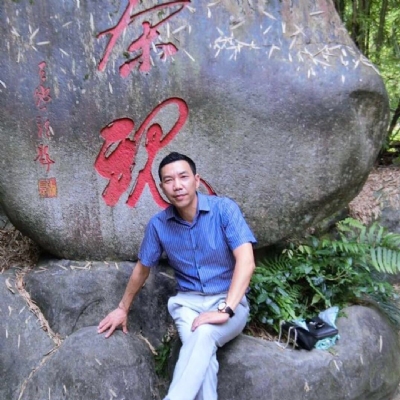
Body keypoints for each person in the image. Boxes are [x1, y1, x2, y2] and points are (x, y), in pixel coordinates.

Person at [97, 152, 257, 400]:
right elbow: (142, 268)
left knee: (204, 334)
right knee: (203, 357)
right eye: (169, 180)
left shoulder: (224, 210)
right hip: (188, 306)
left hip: (229, 301)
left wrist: (225, 309)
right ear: (162, 188)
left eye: (183, 177)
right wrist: (122, 308)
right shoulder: (159, 225)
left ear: (197, 180)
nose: (177, 185)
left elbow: (246, 261)